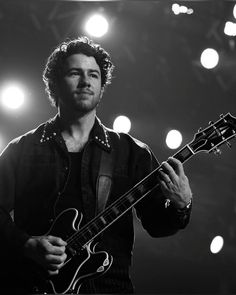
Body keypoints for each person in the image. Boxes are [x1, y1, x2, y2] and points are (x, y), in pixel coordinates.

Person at [0, 36, 192, 294]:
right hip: (31, 286)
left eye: (94, 75)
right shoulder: (23, 149)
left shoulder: (131, 152)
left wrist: (181, 204)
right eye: (75, 73)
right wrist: (26, 244)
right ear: (55, 83)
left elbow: (158, 226)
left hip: (108, 287)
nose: (86, 81)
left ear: (102, 86)